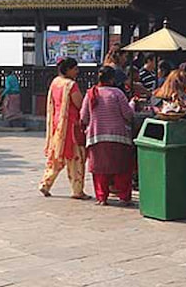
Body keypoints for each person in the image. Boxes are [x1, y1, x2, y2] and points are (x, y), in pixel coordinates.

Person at [81, 67, 136, 206]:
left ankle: (102, 197)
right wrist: (133, 104)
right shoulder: (117, 93)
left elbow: (83, 117)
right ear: (112, 79)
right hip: (118, 137)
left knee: (99, 170)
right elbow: (128, 115)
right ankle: (124, 197)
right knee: (121, 168)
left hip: (96, 137)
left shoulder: (90, 94)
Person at [40, 58, 88, 199]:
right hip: (71, 126)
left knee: (56, 158)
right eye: (75, 69)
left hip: (57, 124)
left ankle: (45, 184)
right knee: (76, 159)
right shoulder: (71, 85)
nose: (77, 71)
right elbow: (79, 104)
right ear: (68, 69)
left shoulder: (55, 82)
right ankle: (77, 190)